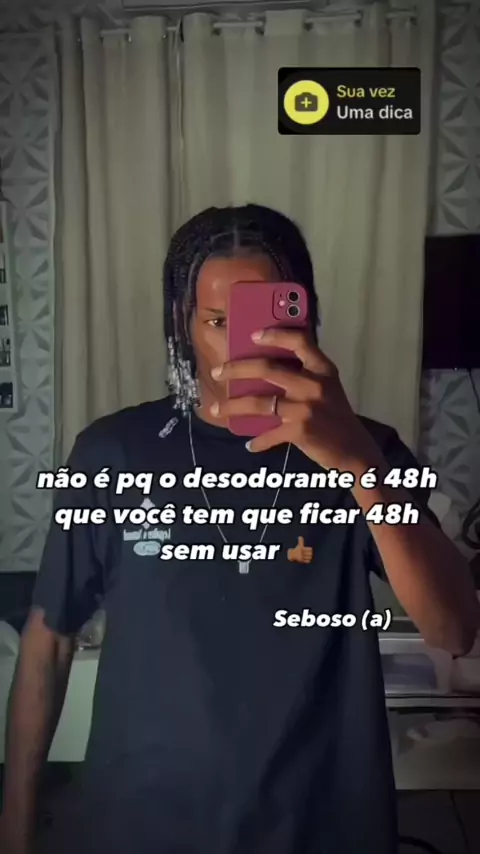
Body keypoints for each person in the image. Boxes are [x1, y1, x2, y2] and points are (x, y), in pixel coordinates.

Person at [1, 205, 479, 854]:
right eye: (218, 321)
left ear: (303, 317)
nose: (241, 347)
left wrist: (359, 465)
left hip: (318, 824)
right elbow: (50, 639)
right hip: (143, 821)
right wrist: (15, 828)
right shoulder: (112, 452)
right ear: (183, 323)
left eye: (265, 319)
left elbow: (453, 629)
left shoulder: (366, 450)